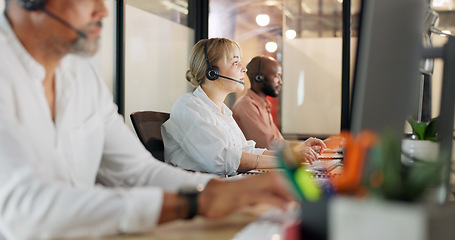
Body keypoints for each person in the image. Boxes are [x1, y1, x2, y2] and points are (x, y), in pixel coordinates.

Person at [0, 1, 293, 239]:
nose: (103, 11)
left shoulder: (81, 76)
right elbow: (23, 210)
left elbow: (136, 171)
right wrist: (195, 202)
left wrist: (221, 191)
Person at [161, 38, 326, 176]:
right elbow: (224, 160)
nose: (243, 68)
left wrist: (294, 154)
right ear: (211, 72)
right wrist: (288, 160)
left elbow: (246, 151)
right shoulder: (189, 106)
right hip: (206, 196)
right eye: (235, 62)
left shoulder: (223, 112)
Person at [232, 56, 330, 156]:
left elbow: (278, 142)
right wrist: (302, 147)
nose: (280, 82)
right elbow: (268, 145)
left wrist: (308, 145)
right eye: (276, 76)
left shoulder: (263, 105)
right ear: (259, 78)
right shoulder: (246, 105)